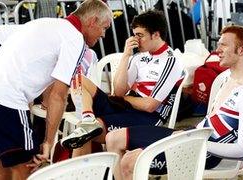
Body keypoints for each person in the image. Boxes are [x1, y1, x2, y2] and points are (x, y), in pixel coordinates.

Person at [105, 25, 243, 180]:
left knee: (129, 162)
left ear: (240, 50)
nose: (217, 50)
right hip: (191, 135)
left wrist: (195, 140)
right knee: (113, 138)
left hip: (201, 148)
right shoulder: (229, 76)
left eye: (224, 45)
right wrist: (188, 136)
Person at [0, 0, 112, 179]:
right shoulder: (74, 39)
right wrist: (48, 141)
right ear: (93, 21)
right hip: (6, 96)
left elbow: (46, 84)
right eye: (104, 28)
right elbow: (58, 96)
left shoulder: (46, 23)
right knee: (27, 165)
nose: (103, 35)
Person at [60, 10, 184, 156]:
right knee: (78, 79)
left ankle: (84, 169)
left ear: (156, 34)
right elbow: (118, 91)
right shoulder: (138, 57)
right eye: (134, 35)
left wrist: (123, 99)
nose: (136, 40)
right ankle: (88, 119)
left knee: (86, 133)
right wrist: (126, 56)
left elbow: (149, 106)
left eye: (140, 35)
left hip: (146, 118)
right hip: (123, 107)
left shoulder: (171, 61)